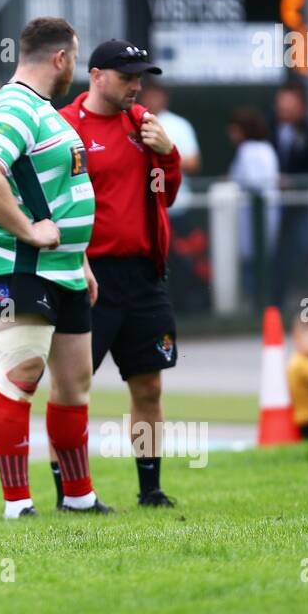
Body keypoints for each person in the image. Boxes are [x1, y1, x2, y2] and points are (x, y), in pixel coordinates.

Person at [0, 17, 110, 519]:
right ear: (61, 58)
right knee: (21, 375)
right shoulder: (14, 106)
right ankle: (16, 504)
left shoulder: (43, 110)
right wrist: (29, 231)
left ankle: (78, 496)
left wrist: (82, 258)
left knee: (73, 384)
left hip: (66, 269)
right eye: (75, 56)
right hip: (21, 268)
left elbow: (60, 193)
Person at [60, 38, 181, 509]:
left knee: (149, 385)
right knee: (73, 389)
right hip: (87, 275)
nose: (136, 86)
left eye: (140, 78)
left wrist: (168, 155)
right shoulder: (67, 125)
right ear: (95, 75)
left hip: (144, 277)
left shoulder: (144, 126)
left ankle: (150, 489)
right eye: (127, 77)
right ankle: (69, 494)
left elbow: (165, 196)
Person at [270, 82, 308, 306]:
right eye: (281, 105)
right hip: (274, 208)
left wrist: (294, 183)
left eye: (290, 105)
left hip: (301, 207)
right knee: (275, 255)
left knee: (302, 251)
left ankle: (306, 300)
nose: (284, 110)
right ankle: (274, 302)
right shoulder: (269, 131)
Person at [228, 107, 280, 305]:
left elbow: (253, 183)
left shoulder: (248, 150)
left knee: (255, 265)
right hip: (266, 215)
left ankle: (260, 305)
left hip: (255, 217)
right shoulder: (266, 148)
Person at [138, 78, 200, 217]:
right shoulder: (134, 121)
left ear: (165, 98)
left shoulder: (179, 124)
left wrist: (165, 154)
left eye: (157, 95)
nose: (153, 100)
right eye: (149, 95)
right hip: (144, 207)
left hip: (177, 205)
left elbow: (193, 164)